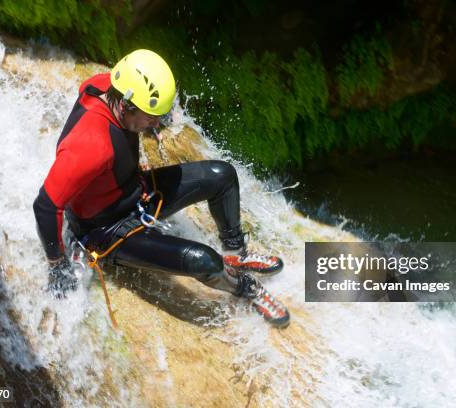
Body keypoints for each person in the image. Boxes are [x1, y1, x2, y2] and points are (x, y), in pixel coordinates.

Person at [33, 49, 290, 328]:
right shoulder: (91, 145)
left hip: (134, 190)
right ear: (126, 106)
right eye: (152, 117)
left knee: (223, 176)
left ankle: (237, 254)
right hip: (107, 229)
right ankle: (245, 287)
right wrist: (57, 264)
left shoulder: (110, 85)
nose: (157, 123)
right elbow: (46, 206)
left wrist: (154, 115)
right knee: (204, 260)